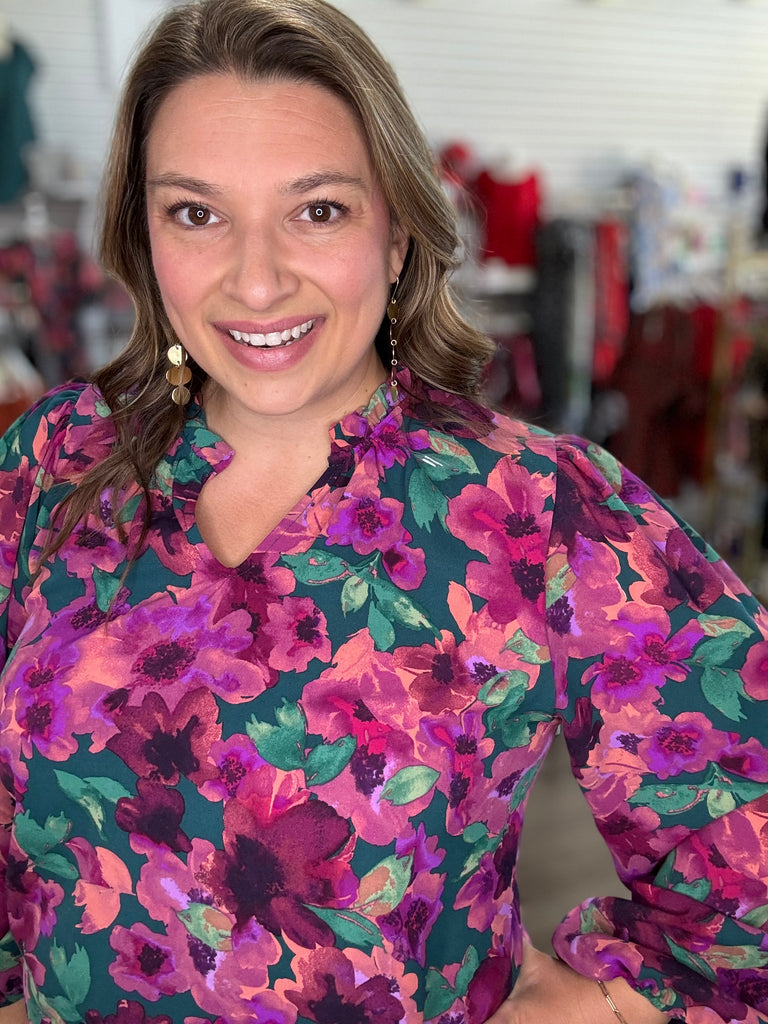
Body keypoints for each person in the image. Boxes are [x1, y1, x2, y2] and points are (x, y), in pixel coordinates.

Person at [0, 1, 767, 1022]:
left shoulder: (535, 508)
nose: (258, 277)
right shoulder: (56, 460)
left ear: (397, 233)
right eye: (197, 212)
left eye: (318, 210)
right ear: (143, 235)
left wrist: (609, 999)